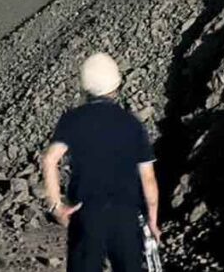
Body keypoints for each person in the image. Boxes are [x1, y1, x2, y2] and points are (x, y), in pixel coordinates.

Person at [41, 52, 159, 272]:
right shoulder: (132, 124)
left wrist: (57, 206)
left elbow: (49, 160)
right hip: (125, 216)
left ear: (85, 87)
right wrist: (152, 220)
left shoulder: (72, 120)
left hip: (85, 214)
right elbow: (148, 178)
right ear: (117, 86)